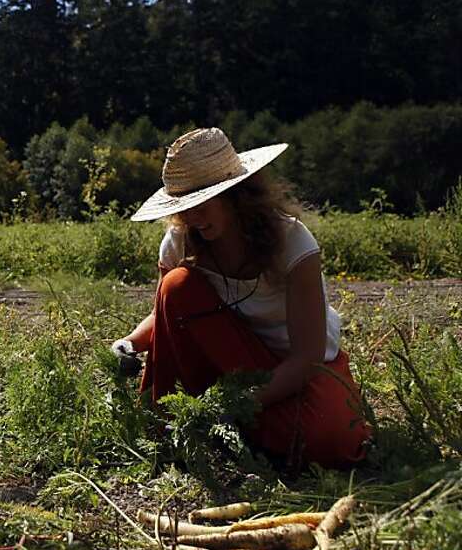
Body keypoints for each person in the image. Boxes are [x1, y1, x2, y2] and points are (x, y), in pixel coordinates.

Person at [114, 127, 371, 468]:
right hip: (227, 362)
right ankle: (205, 427)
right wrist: (129, 343)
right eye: (185, 206)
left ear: (237, 195)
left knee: (332, 442)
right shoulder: (180, 243)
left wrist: (237, 403)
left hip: (295, 367)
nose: (192, 217)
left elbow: (306, 358)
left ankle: (231, 429)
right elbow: (165, 314)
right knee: (176, 285)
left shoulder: (293, 243)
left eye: (203, 203)